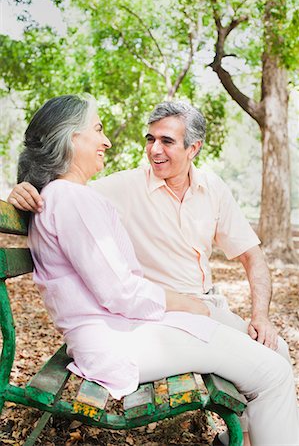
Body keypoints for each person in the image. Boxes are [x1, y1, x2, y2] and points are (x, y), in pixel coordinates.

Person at [14, 93, 298, 446]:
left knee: (274, 354)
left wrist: (252, 315)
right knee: (273, 374)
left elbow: (252, 256)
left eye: (167, 141)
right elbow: (122, 293)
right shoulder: (77, 195)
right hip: (128, 334)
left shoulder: (73, 196)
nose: (108, 140)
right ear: (72, 138)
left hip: (139, 325)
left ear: (193, 148)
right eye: (98, 129)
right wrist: (22, 187)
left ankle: (246, 436)